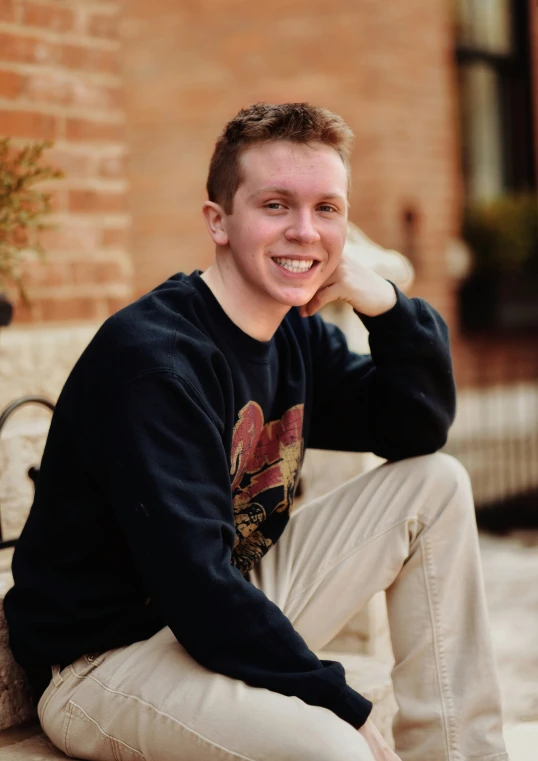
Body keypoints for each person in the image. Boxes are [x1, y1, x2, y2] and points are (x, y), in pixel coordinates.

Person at [4, 103, 508, 761]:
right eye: (276, 205)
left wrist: (382, 301)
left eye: (327, 208)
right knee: (337, 751)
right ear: (218, 220)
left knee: (436, 484)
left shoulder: (292, 334)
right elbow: (195, 586)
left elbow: (416, 425)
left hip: (214, 610)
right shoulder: (156, 361)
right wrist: (341, 703)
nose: (305, 231)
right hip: (104, 665)